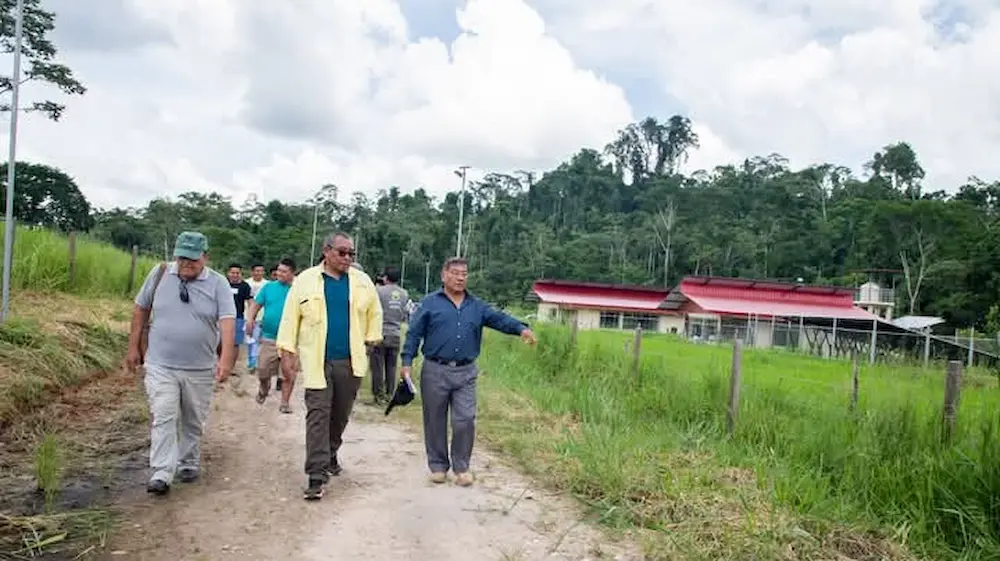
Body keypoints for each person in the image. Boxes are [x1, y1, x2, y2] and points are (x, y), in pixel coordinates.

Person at [400, 257, 536, 487]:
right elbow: (414, 334)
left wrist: (521, 328)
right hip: (435, 369)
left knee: (465, 420)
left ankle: (461, 467)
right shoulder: (430, 303)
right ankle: (438, 466)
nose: (460, 277)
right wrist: (406, 361)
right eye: (455, 273)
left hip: (465, 372)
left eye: (464, 273)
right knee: (434, 420)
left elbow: (500, 319)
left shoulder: (477, 306)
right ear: (444, 275)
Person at [125, 231, 237, 496]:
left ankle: (188, 461)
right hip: (161, 364)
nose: (187, 264)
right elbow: (141, 309)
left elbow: (228, 321)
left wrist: (226, 359)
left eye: (193, 260)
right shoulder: (161, 273)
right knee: (164, 414)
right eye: (182, 258)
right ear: (175, 255)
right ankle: (162, 471)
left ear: (205, 257)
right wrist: (133, 347)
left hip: (199, 367)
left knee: (193, 418)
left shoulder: (218, 283)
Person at [275, 232, 382, 500]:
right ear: (326, 251)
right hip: (316, 361)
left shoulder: (361, 282)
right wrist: (287, 352)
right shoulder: (306, 281)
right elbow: (290, 318)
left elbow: (374, 313)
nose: (347, 258)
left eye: (351, 254)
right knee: (318, 416)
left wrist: (371, 341)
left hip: (350, 361)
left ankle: (331, 451)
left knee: (340, 415)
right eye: (341, 252)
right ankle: (316, 474)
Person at [246, 258, 296, 412]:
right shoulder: (268, 287)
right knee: (263, 370)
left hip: (291, 339)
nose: (279, 273)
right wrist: (250, 319)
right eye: (278, 270)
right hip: (269, 337)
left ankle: (285, 403)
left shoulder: (298, 290)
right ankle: (264, 388)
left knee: (288, 372)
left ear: (292, 273)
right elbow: (256, 304)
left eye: (283, 271)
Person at [368, 266, 409, 405]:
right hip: (396, 334)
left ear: (385, 277)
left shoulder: (378, 291)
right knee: (391, 366)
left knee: (377, 366)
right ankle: (390, 393)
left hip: (380, 332)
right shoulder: (404, 293)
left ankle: (378, 395)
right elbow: (404, 314)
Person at [225, 263, 253, 375]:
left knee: (235, 344)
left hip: (238, 317)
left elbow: (250, 302)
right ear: (228, 273)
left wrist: (251, 317)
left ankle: (231, 367)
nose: (235, 275)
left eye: (237, 273)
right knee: (220, 342)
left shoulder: (245, 286)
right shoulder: (223, 284)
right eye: (233, 273)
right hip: (222, 317)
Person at [245, 264, 268, 374]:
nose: (259, 273)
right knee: (249, 340)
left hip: (262, 317)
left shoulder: (267, 285)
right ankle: (251, 360)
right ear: (252, 272)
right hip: (248, 316)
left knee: (257, 340)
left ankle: (254, 362)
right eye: (257, 271)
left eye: (261, 271)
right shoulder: (246, 283)